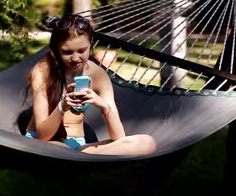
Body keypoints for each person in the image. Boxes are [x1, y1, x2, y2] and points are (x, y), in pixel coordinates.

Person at [22, 14, 156, 156]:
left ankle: (81, 160)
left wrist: (103, 106)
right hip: (45, 143)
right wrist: (62, 106)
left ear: (90, 44)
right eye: (67, 52)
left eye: (82, 51)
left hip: (79, 147)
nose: (75, 58)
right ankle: (84, 161)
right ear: (56, 49)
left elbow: (118, 137)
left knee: (147, 142)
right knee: (63, 150)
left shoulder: (98, 75)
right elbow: (42, 135)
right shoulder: (43, 71)